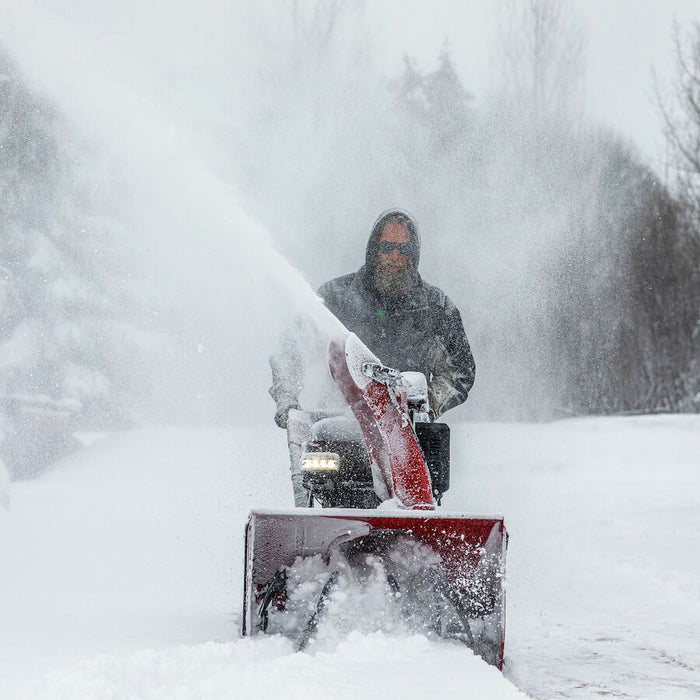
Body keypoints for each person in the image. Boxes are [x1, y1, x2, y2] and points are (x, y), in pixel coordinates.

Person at [270, 209, 475, 430]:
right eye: (387, 247)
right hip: (337, 430)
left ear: (414, 252)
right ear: (374, 249)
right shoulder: (336, 298)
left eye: (403, 248)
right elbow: (292, 350)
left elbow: (461, 369)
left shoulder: (435, 308)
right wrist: (287, 398)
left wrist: (423, 407)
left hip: (407, 437)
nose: (395, 256)